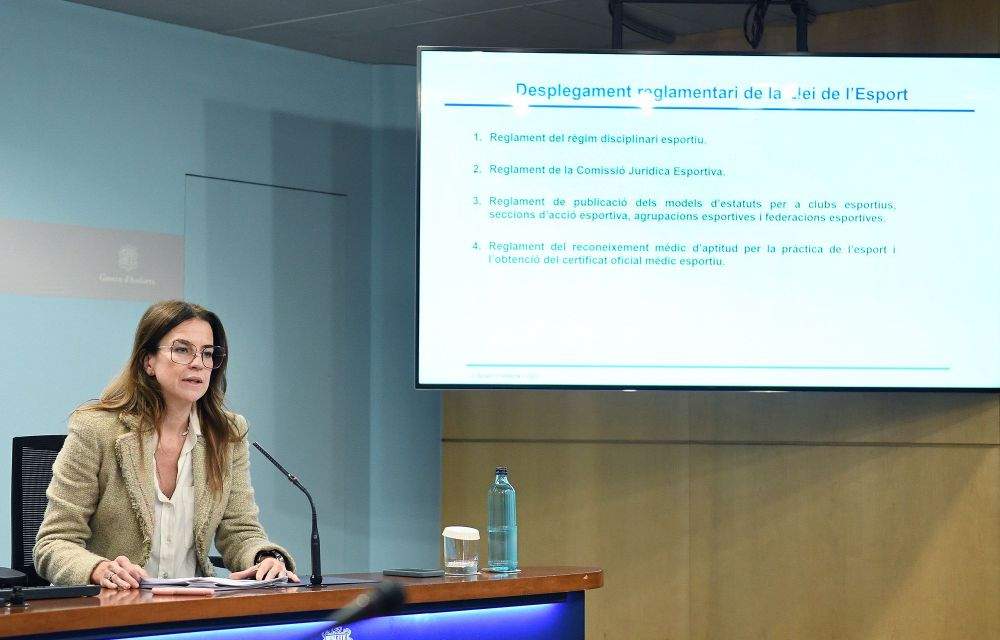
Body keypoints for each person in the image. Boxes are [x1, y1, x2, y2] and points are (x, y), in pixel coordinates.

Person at [35, 300, 299, 588]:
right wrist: (98, 569)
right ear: (148, 361)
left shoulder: (226, 434)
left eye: (207, 353)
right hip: (111, 604)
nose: (198, 363)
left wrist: (265, 558)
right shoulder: (97, 429)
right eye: (182, 350)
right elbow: (54, 543)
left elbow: (240, 530)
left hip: (193, 604)